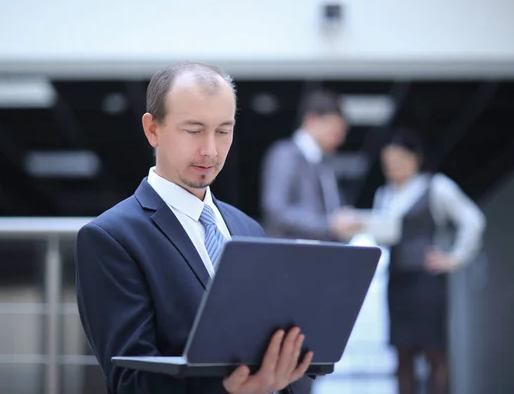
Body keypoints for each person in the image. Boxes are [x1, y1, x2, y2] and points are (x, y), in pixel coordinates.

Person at [74, 62, 314, 394]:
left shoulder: (248, 230)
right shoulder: (111, 238)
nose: (210, 150)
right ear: (152, 129)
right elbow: (130, 383)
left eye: (223, 131)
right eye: (193, 130)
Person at [337, 130, 486, 394]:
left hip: (427, 282)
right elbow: (384, 235)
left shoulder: (437, 186)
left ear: (414, 158)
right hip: (397, 281)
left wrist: (454, 258)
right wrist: (363, 225)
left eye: (398, 161)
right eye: (387, 164)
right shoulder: (385, 195)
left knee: (434, 353)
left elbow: (472, 220)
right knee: (402, 356)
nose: (392, 168)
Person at [260, 89, 353, 241]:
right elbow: (276, 209)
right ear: (312, 120)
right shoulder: (285, 154)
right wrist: (329, 224)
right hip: (292, 253)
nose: (339, 139)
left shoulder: (323, 162)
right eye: (335, 131)